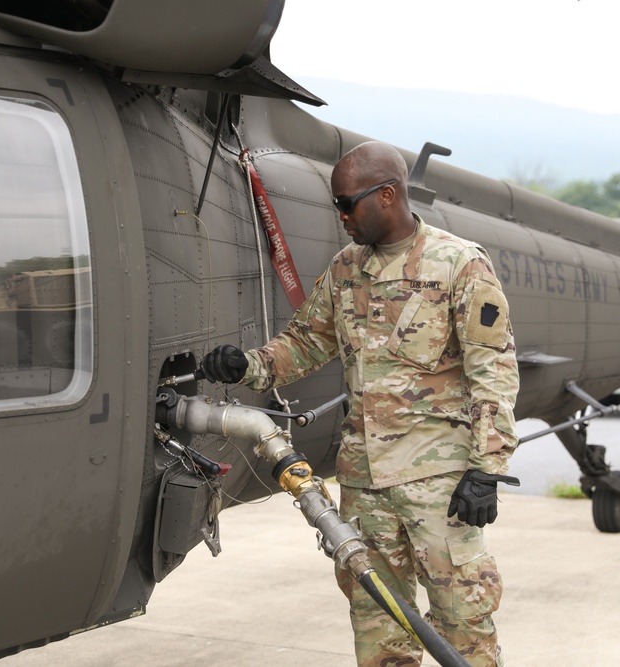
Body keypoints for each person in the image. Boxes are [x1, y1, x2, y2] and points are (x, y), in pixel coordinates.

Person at [199, 140, 519, 667]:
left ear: (388, 195)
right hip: (365, 483)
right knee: (377, 621)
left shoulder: (459, 265)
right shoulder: (348, 270)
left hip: (438, 485)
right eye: (336, 205)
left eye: (348, 203)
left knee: (462, 618)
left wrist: (487, 469)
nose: (342, 215)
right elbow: (306, 342)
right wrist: (248, 366)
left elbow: (494, 373)